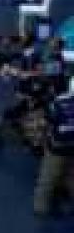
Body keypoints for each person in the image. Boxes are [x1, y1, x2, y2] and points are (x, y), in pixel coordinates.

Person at [33, 80, 74, 216]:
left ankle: (41, 207)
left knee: (48, 177)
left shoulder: (59, 103)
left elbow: (46, 122)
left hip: (58, 147)